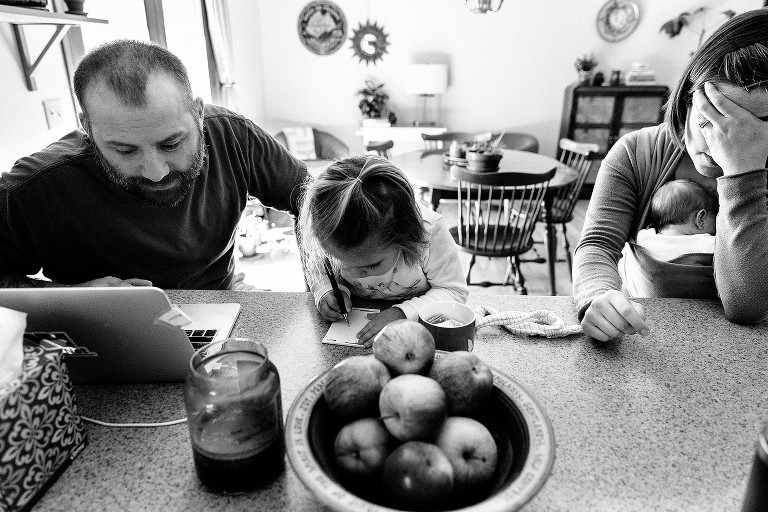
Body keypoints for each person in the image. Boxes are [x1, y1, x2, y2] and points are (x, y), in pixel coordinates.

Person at [0, 39, 308, 289]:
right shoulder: (35, 185)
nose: (156, 171)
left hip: (226, 298)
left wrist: (323, 283)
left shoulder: (233, 135)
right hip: (105, 331)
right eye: (124, 150)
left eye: (171, 144)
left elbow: (312, 199)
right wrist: (75, 297)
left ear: (198, 113)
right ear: (88, 127)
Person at [573, 8, 768, 341]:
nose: (717, 144)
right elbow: (597, 245)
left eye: (746, 131)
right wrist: (596, 295)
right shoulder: (637, 152)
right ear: (687, 102)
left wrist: (743, 173)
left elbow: (746, 306)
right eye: (710, 120)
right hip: (650, 342)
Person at [298, 155, 468, 347]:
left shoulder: (430, 232)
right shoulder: (328, 232)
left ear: (405, 237)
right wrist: (326, 291)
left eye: (372, 265)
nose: (354, 274)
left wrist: (403, 314)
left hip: (418, 334)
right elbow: (318, 271)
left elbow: (454, 291)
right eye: (341, 262)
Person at [618, 179, 718, 297]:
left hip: (644, 298)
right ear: (700, 218)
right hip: (691, 305)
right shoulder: (708, 244)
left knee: (628, 257)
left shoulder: (644, 237)